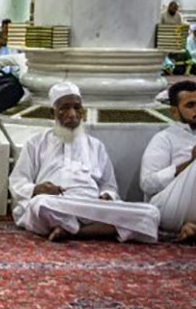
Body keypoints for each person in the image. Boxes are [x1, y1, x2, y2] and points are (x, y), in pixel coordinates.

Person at [9, 82, 160, 243]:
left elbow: (109, 185)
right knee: (39, 205)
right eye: (65, 108)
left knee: (150, 213)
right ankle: (95, 229)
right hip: (57, 202)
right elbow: (18, 180)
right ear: (53, 112)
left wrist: (107, 196)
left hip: (92, 205)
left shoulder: (95, 145)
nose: (72, 114)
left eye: (77, 107)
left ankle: (74, 230)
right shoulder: (36, 143)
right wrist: (37, 188)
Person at [139, 80, 196, 242]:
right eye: (190, 105)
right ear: (175, 112)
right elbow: (147, 184)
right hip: (168, 206)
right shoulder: (164, 138)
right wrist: (190, 163)